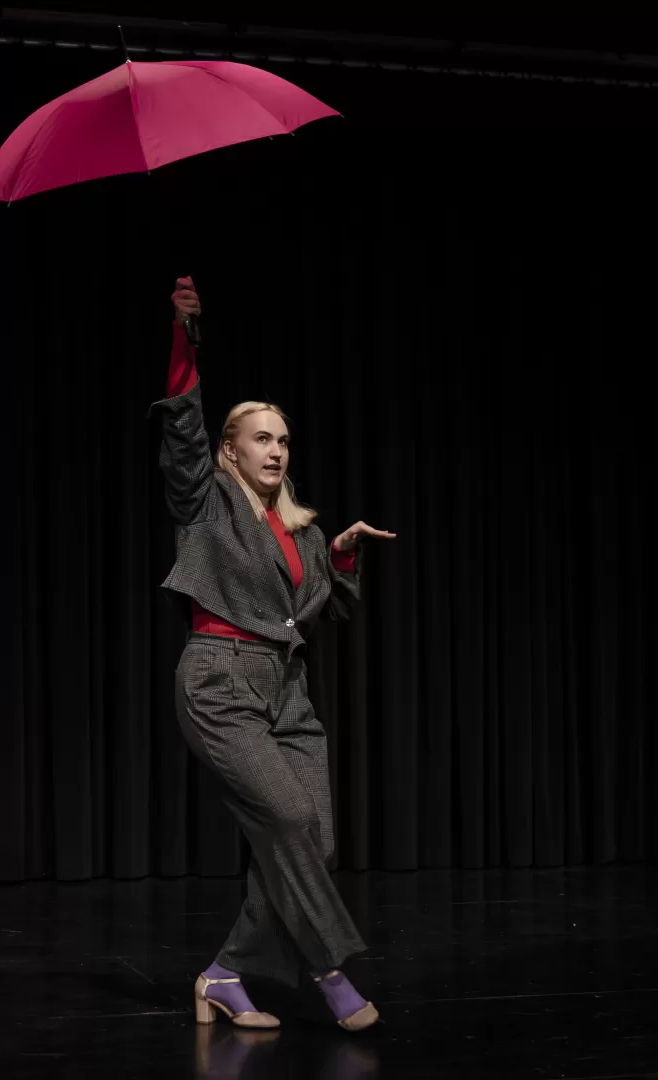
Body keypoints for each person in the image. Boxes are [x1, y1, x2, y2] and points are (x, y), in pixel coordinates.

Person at [148, 277, 395, 1034]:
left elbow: (332, 612)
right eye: (261, 437)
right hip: (219, 682)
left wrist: (343, 557)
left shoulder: (305, 533)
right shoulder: (206, 502)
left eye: (284, 440)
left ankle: (225, 973)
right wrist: (185, 338)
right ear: (230, 450)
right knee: (286, 815)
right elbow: (182, 436)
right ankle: (329, 970)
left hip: (286, 689)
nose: (277, 450)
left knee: (312, 837)